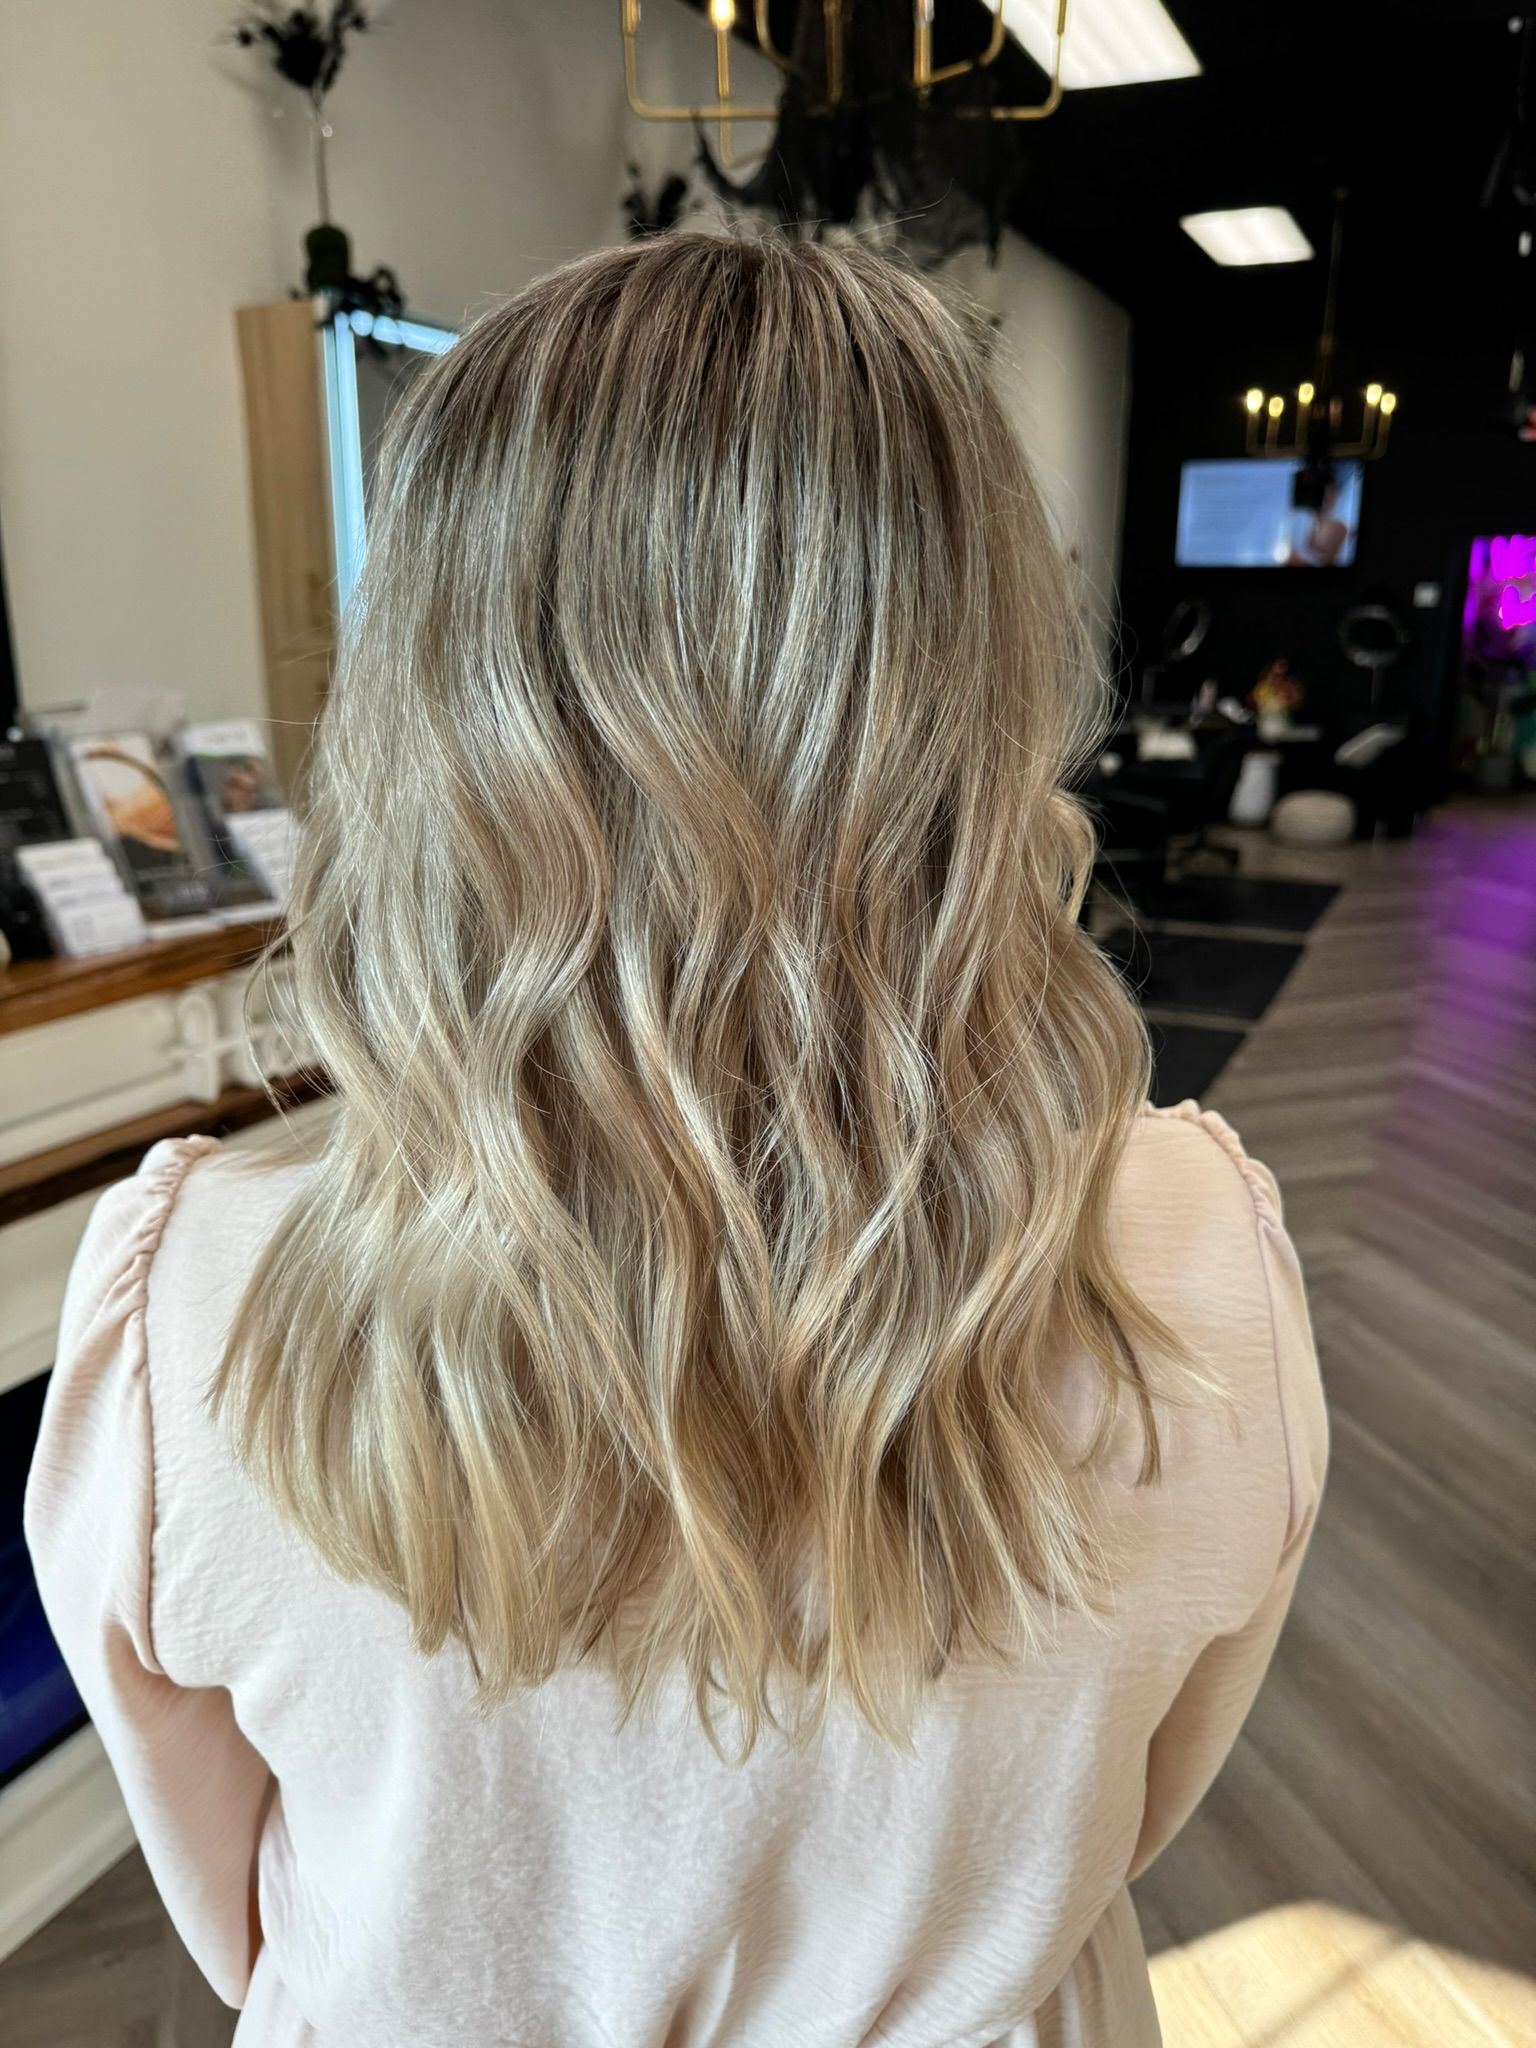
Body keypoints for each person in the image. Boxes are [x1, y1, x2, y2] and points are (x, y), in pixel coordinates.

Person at [26, 234, 1326, 2048]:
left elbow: (247, 1907)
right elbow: (1130, 1812)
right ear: (978, 672)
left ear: (437, 679)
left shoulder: (194, 1297)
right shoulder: (1198, 1259)